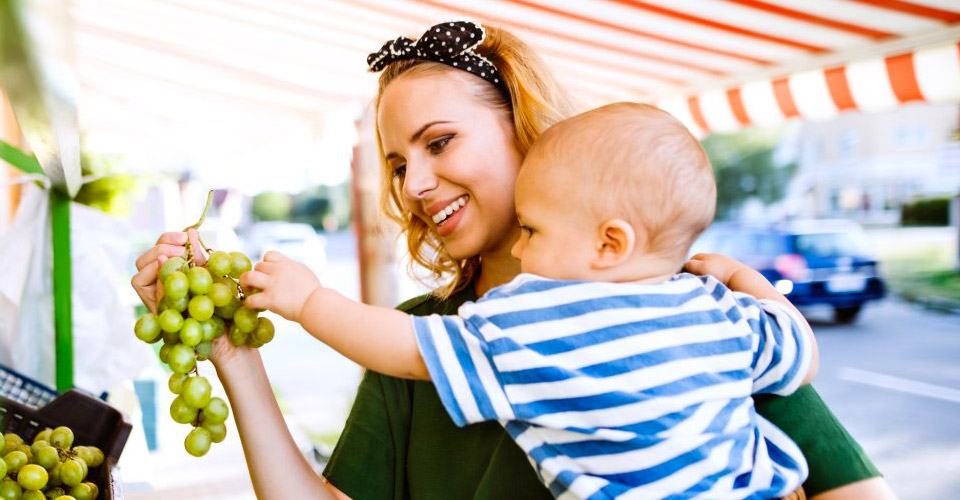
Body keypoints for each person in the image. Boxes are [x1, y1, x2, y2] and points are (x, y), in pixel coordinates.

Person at [131, 20, 897, 500]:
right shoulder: (413, 335)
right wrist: (233, 358)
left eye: (439, 142)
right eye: (399, 163)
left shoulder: (679, 302)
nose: (416, 184)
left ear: (525, 130)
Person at [240, 101, 819, 500]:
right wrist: (745, 276)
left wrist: (309, 299)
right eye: (397, 166)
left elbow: (411, 351)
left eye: (533, 229)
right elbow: (800, 352)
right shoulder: (719, 311)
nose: (521, 248)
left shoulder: (543, 322)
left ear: (609, 243)